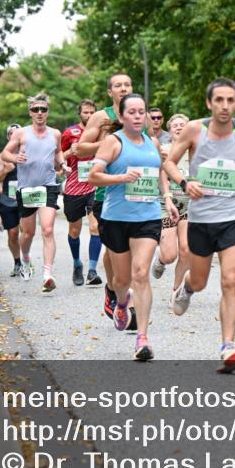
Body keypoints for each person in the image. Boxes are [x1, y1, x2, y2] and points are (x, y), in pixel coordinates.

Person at [163, 77, 235, 373]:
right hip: (201, 219)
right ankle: (187, 288)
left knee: (230, 279)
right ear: (209, 103)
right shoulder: (195, 130)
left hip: (233, 217)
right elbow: (169, 162)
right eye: (219, 100)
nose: (225, 106)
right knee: (200, 281)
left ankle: (228, 346)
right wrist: (185, 183)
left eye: (230, 100)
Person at [89, 93, 174, 360]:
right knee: (121, 280)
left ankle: (142, 339)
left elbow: (160, 171)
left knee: (141, 274)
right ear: (123, 116)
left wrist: (167, 197)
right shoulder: (113, 142)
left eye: (141, 112)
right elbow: (93, 176)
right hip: (116, 219)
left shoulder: (152, 142)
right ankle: (122, 302)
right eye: (132, 112)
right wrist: (121, 178)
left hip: (147, 217)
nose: (138, 116)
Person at [74, 73, 135, 316]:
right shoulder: (101, 117)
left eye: (127, 84)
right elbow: (80, 149)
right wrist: (111, 143)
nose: (123, 88)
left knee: (133, 250)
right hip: (106, 194)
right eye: (118, 85)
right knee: (113, 250)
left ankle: (126, 296)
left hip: (136, 192)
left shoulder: (139, 114)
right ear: (110, 92)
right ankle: (112, 288)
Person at [0, 93, 63, 292]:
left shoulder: (55, 134)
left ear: (48, 112)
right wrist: (15, 158)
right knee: (28, 233)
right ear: (30, 113)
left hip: (48, 186)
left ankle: (47, 275)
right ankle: (25, 259)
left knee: (48, 229)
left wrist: (63, 164)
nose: (39, 112)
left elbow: (58, 151)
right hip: (27, 188)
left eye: (43, 109)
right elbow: (5, 153)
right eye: (36, 109)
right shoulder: (21, 134)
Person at [152, 113, 192, 295]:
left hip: (188, 206)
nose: (179, 127)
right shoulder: (164, 150)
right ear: (169, 130)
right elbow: (161, 176)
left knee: (186, 250)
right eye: (175, 125)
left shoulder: (195, 152)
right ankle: (161, 260)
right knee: (170, 255)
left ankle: (176, 291)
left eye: (183, 125)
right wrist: (167, 197)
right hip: (166, 205)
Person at [60, 99, 98, 286]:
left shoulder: (101, 132)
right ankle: (77, 264)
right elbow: (58, 158)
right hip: (74, 187)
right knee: (74, 230)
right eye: (85, 112)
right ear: (79, 113)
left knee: (95, 227)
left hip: (95, 185)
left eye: (92, 113)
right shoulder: (69, 133)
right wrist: (69, 152)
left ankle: (92, 270)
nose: (89, 116)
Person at [0, 124, 24, 277]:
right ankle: (17, 262)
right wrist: (6, 170)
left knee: (26, 230)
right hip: (8, 199)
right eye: (11, 134)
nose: (14, 136)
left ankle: (27, 258)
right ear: (8, 137)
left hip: (26, 198)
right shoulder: (2, 156)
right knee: (12, 233)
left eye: (17, 133)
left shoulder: (28, 153)